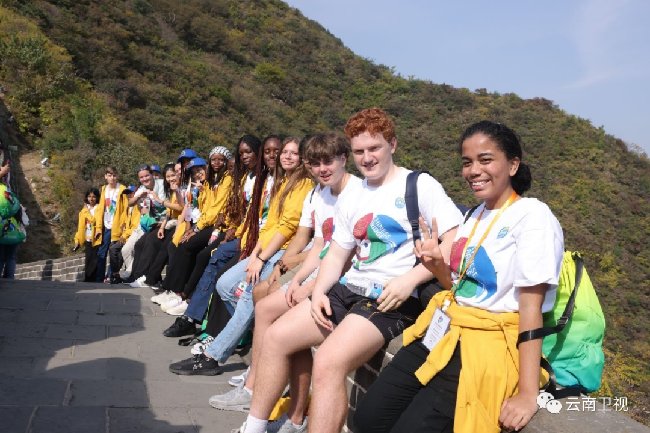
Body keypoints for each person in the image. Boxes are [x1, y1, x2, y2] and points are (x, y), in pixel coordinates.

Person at [235, 108, 462, 433]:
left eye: (374, 148)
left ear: (392, 145)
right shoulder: (355, 193)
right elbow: (337, 253)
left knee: (328, 362)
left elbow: (455, 240)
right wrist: (318, 292)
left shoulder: (418, 185)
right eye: (359, 151)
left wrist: (410, 279)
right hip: (348, 287)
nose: (367, 158)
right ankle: (253, 428)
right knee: (274, 338)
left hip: (389, 298)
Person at [353, 121, 565, 433]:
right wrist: (437, 265)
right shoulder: (474, 215)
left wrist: (527, 393)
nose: (474, 170)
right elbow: (463, 289)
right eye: (467, 162)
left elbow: (531, 310)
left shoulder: (533, 217)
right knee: (367, 419)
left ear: (513, 165)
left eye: (485, 160)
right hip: (445, 330)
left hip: (483, 347)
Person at [210, 133, 361, 432]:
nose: (321, 168)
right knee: (264, 299)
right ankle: (279, 403)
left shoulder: (354, 193)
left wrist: (309, 285)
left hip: (340, 274)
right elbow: (312, 240)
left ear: (344, 159)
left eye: (327, 161)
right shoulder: (318, 193)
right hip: (318, 262)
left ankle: (263, 394)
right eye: (314, 163)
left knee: (270, 312)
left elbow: (344, 252)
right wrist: (285, 271)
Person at [169, 136, 315, 375]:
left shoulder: (302, 185)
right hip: (265, 247)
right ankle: (253, 328)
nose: (287, 156)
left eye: (294, 153)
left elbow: (288, 226)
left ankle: (212, 356)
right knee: (225, 285)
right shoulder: (283, 182)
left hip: (282, 249)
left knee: (248, 296)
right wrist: (256, 253)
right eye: (285, 152)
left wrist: (263, 258)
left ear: (302, 159)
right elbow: (268, 224)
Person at [128, 163, 183, 287]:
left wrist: (159, 201)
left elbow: (177, 206)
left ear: (152, 175)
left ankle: (144, 276)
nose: (145, 179)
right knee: (139, 245)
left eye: (147, 175)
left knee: (151, 241)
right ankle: (135, 276)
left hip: (170, 221)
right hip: (158, 223)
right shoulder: (142, 189)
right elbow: (130, 203)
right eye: (141, 177)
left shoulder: (163, 184)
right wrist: (138, 197)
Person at [94, 167, 128, 283]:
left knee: (114, 253)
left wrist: (123, 227)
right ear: (105, 176)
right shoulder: (104, 189)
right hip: (105, 226)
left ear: (117, 176)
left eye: (114, 175)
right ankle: (99, 278)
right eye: (109, 175)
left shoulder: (122, 189)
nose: (112, 178)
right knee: (101, 253)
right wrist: (98, 227)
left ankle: (110, 276)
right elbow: (100, 209)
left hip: (117, 226)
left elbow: (125, 210)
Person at [74, 188, 101, 282]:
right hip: (87, 237)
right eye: (89, 196)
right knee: (88, 259)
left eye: (94, 197)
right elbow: (81, 226)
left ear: (97, 198)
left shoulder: (98, 208)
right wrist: (77, 239)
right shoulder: (84, 210)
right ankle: (88, 279)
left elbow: (94, 221)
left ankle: (92, 279)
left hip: (96, 237)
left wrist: (86, 211)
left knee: (95, 260)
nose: (91, 199)